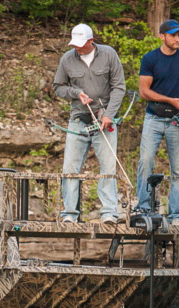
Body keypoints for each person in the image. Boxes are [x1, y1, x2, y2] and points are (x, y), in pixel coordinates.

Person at [52, 23, 126, 224]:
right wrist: (76, 93)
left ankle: (109, 212)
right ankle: (69, 214)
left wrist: (109, 114)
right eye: (74, 44)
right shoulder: (67, 59)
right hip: (78, 119)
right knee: (70, 167)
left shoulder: (109, 54)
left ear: (91, 41)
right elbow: (58, 87)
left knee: (108, 167)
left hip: (104, 119)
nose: (77, 48)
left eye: (81, 44)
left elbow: (119, 87)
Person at [134, 19, 179, 226]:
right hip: (154, 117)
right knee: (145, 161)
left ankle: (176, 215)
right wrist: (168, 99)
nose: (177, 38)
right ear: (162, 36)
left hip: (178, 120)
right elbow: (144, 92)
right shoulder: (150, 58)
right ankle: (144, 207)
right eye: (173, 35)